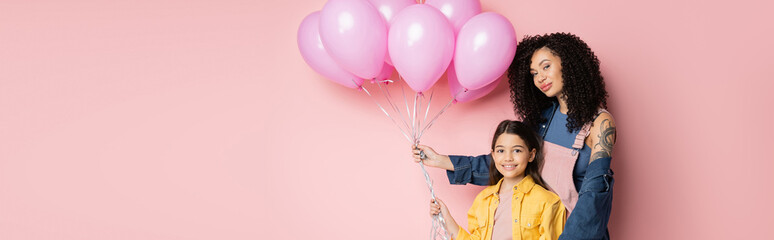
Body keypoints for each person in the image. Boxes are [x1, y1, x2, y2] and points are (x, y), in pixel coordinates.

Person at [415, 32, 616, 239]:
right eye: (534, 73)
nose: (540, 78)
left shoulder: (599, 123)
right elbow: (507, 163)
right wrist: (441, 160)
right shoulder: (541, 120)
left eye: (546, 66)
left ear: (569, 64)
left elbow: (595, 192)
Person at [429, 120, 565, 240]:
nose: (508, 158)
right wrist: (446, 218)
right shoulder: (483, 200)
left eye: (517, 150)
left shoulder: (549, 202)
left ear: (531, 155)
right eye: (501, 151)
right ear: (493, 155)